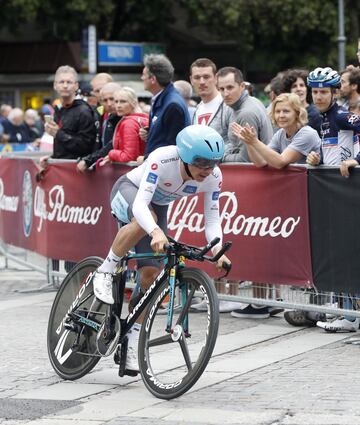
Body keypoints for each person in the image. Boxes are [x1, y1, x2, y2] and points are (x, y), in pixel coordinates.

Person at [92, 125, 231, 372]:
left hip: (158, 205)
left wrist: (218, 249)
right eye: (201, 163)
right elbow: (141, 206)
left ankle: (132, 338)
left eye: (213, 163)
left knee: (150, 275)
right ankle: (105, 269)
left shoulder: (213, 176)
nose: (207, 170)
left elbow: (212, 220)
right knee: (146, 220)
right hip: (130, 191)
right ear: (186, 158)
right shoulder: (163, 158)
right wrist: (155, 231)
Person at [288, 67, 360, 331]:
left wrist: (356, 159)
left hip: (347, 192)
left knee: (345, 252)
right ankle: (345, 308)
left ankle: (351, 315)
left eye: (323, 92)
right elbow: (329, 151)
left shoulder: (341, 115)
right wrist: (315, 158)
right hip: (333, 192)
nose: (317, 97)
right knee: (336, 250)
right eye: (314, 92)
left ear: (335, 92)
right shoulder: (322, 118)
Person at [232, 92, 321, 168]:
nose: (281, 115)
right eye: (277, 111)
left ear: (297, 113)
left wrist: (255, 141)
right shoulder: (280, 134)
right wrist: (249, 143)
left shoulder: (307, 133)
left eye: (286, 111)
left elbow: (280, 162)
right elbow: (261, 162)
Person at [77, 87, 148, 171]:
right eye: (116, 101)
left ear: (133, 102)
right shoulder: (144, 118)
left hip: (131, 172)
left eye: (123, 101)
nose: (118, 105)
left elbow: (129, 156)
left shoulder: (129, 122)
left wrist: (111, 153)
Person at [137, 54, 190, 164]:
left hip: (165, 173)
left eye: (144, 75)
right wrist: (151, 132)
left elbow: (172, 148)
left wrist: (146, 159)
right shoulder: (161, 98)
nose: (141, 78)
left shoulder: (172, 105)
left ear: (153, 79)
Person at [217, 66, 273, 162]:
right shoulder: (250, 101)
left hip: (258, 173)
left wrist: (219, 157)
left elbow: (244, 160)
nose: (225, 93)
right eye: (221, 89)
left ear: (242, 86)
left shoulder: (246, 113)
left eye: (230, 87)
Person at [43, 65, 98, 160]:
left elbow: (86, 146)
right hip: (61, 166)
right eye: (61, 82)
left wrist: (58, 133)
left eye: (69, 82)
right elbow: (64, 148)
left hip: (76, 170)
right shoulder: (59, 109)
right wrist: (51, 158)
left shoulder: (84, 111)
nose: (65, 86)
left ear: (76, 86)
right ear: (55, 85)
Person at [77, 82, 123, 171]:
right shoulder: (102, 115)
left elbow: (112, 144)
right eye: (105, 100)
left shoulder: (127, 118)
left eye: (112, 99)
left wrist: (88, 160)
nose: (109, 104)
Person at [189, 58, 231, 143]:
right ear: (191, 80)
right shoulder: (198, 108)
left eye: (206, 77)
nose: (202, 82)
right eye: (197, 77)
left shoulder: (228, 105)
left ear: (216, 78)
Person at [281, 69, 322, 134]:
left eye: (302, 85)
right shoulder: (284, 113)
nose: (299, 89)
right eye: (294, 86)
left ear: (307, 89)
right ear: (288, 91)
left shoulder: (316, 114)